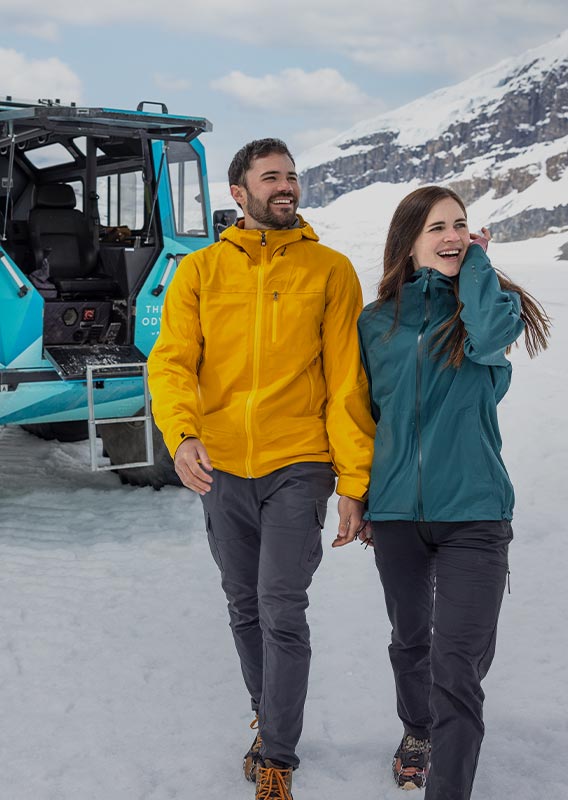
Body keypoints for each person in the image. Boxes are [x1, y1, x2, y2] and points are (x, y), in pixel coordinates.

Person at [148, 138, 375, 800]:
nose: (287, 186)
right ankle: (266, 713)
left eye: (293, 177)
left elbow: (346, 386)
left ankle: (277, 756)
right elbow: (172, 363)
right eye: (271, 177)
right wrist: (182, 435)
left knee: (281, 605)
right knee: (244, 603)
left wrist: (354, 484)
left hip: (297, 464)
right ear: (239, 193)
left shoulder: (331, 271)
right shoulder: (200, 272)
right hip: (220, 467)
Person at [357, 186, 550, 799]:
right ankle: (418, 731)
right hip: (395, 515)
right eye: (437, 226)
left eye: (461, 226)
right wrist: (357, 492)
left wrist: (478, 266)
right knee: (411, 642)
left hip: (474, 513)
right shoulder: (374, 323)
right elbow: (362, 416)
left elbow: (491, 337)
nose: (452, 236)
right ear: (408, 239)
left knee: (457, 663)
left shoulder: (487, 311)